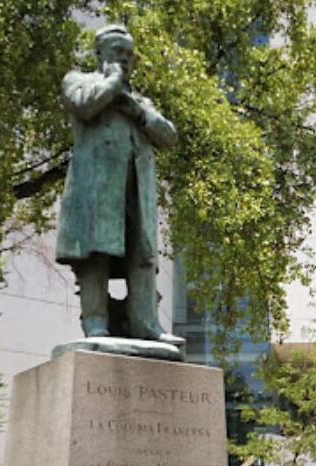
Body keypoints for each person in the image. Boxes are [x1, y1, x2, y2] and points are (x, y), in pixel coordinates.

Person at [56, 24, 182, 344]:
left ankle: (145, 324)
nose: (125, 60)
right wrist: (112, 83)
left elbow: (168, 137)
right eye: (118, 53)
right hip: (96, 191)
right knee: (96, 253)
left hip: (136, 190)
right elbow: (84, 105)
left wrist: (138, 112)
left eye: (129, 55)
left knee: (142, 255)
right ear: (100, 54)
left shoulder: (140, 100)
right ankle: (95, 322)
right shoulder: (79, 81)